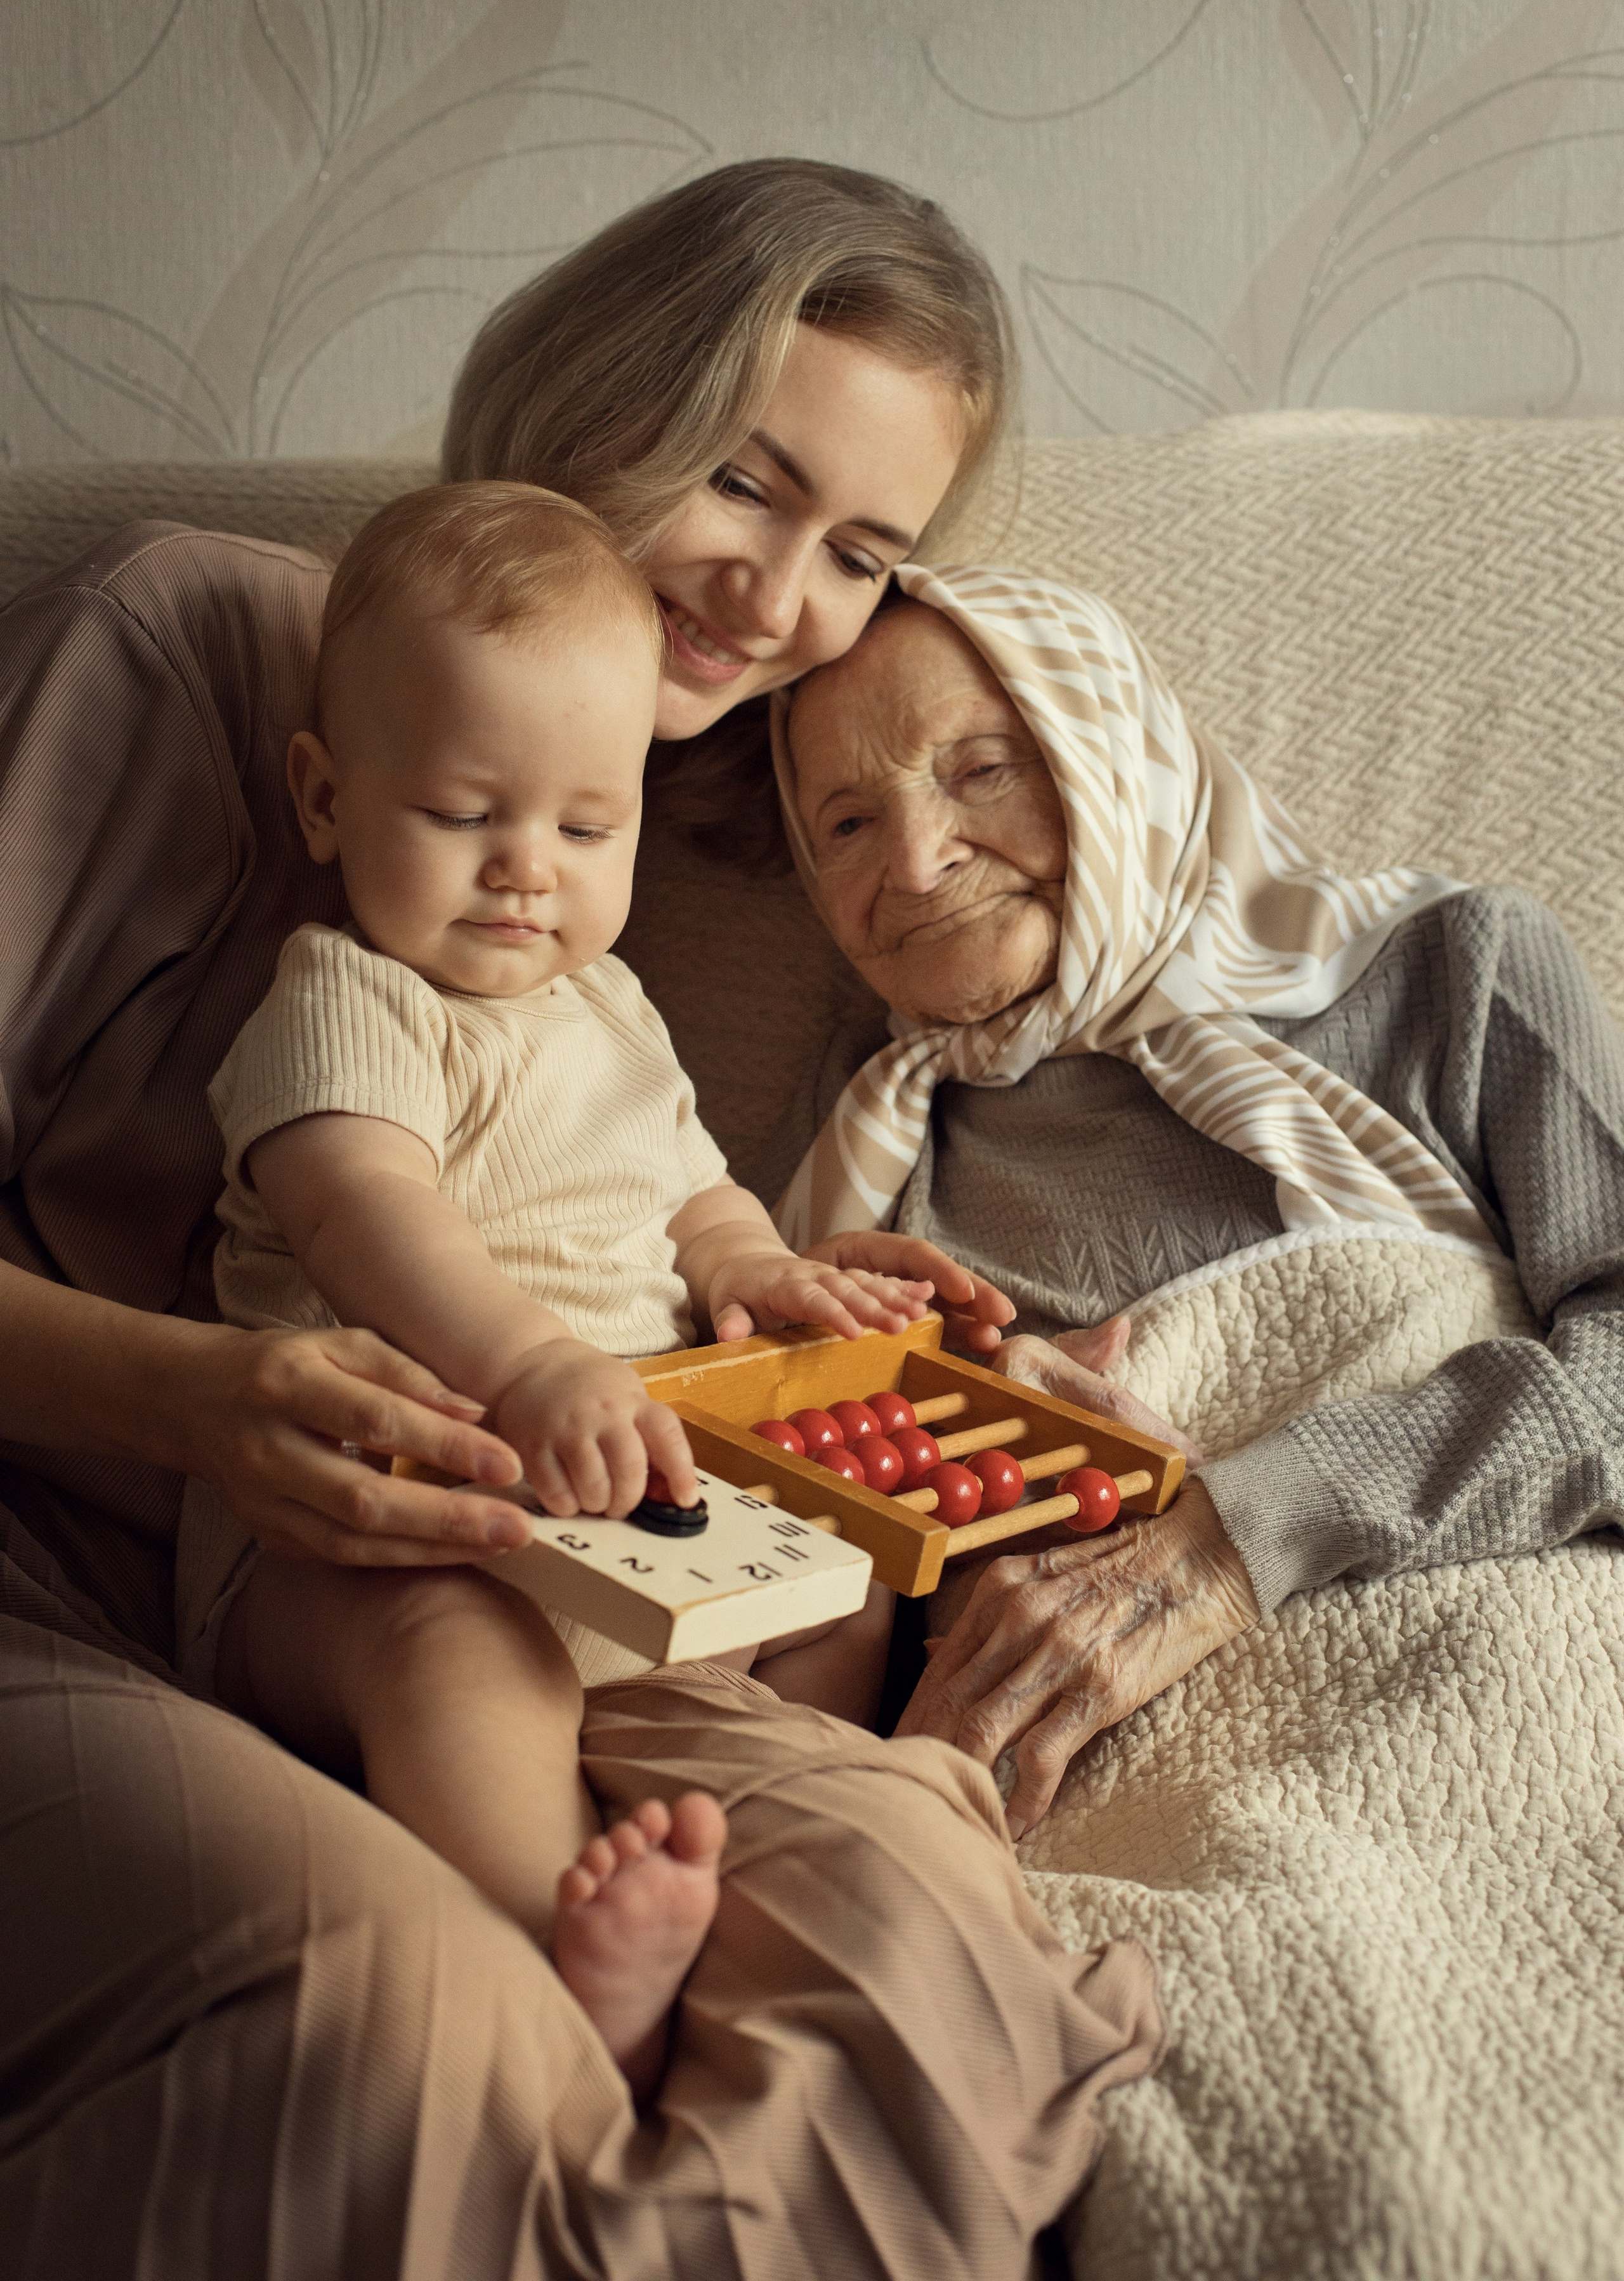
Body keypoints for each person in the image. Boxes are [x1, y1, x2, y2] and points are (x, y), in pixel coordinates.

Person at [6, 163, 1156, 2274]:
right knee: (430, 2025)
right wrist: (217, 1402)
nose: (780, 596)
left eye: (865, 553)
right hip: (99, 1569)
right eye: (745, 476)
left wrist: (792, 1299)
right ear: (610, 388)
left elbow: (662, 1227)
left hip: (549, 1558)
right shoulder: (193, 644)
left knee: (913, 1907)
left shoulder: (711, 841)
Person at [188, 477, 940, 2100]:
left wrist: (759, 1271)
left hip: (630, 1514)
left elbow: (693, 1189)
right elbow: (361, 1211)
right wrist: (524, 1362)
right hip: (372, 1522)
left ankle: (796, 1787)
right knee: (466, 1655)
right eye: (466, 815)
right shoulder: (349, 996)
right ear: (325, 799)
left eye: (586, 828)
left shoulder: (610, 1008)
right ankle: (558, 1950)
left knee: (848, 1574)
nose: (527, 872)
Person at [771, 564, 1624, 1837]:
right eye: (841, 824)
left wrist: (1239, 1529)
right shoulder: (852, 1153)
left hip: (1484, 1707)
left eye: (981, 769)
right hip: (1090, 1805)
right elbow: (799, 1616)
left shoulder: (1450, 968)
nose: (914, 858)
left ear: (1106, 750)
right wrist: (954, 1451)